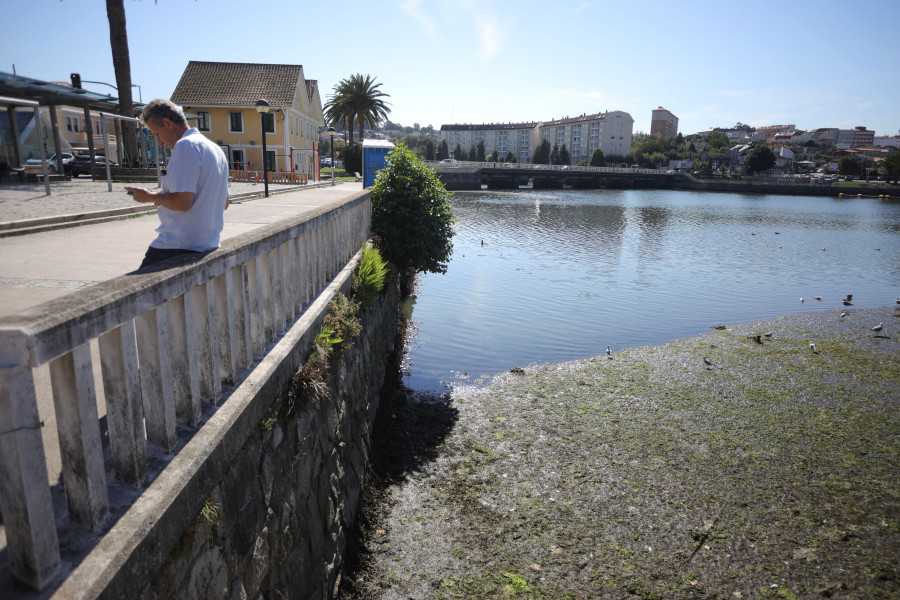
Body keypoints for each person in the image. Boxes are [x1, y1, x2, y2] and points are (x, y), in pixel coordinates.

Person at [125, 99, 229, 268]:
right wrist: (160, 196)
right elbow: (224, 203)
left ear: (167, 123)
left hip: (176, 245)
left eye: (157, 133)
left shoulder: (186, 146)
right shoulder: (215, 149)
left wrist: (149, 197)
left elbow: (182, 202)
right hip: (207, 244)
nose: (159, 142)